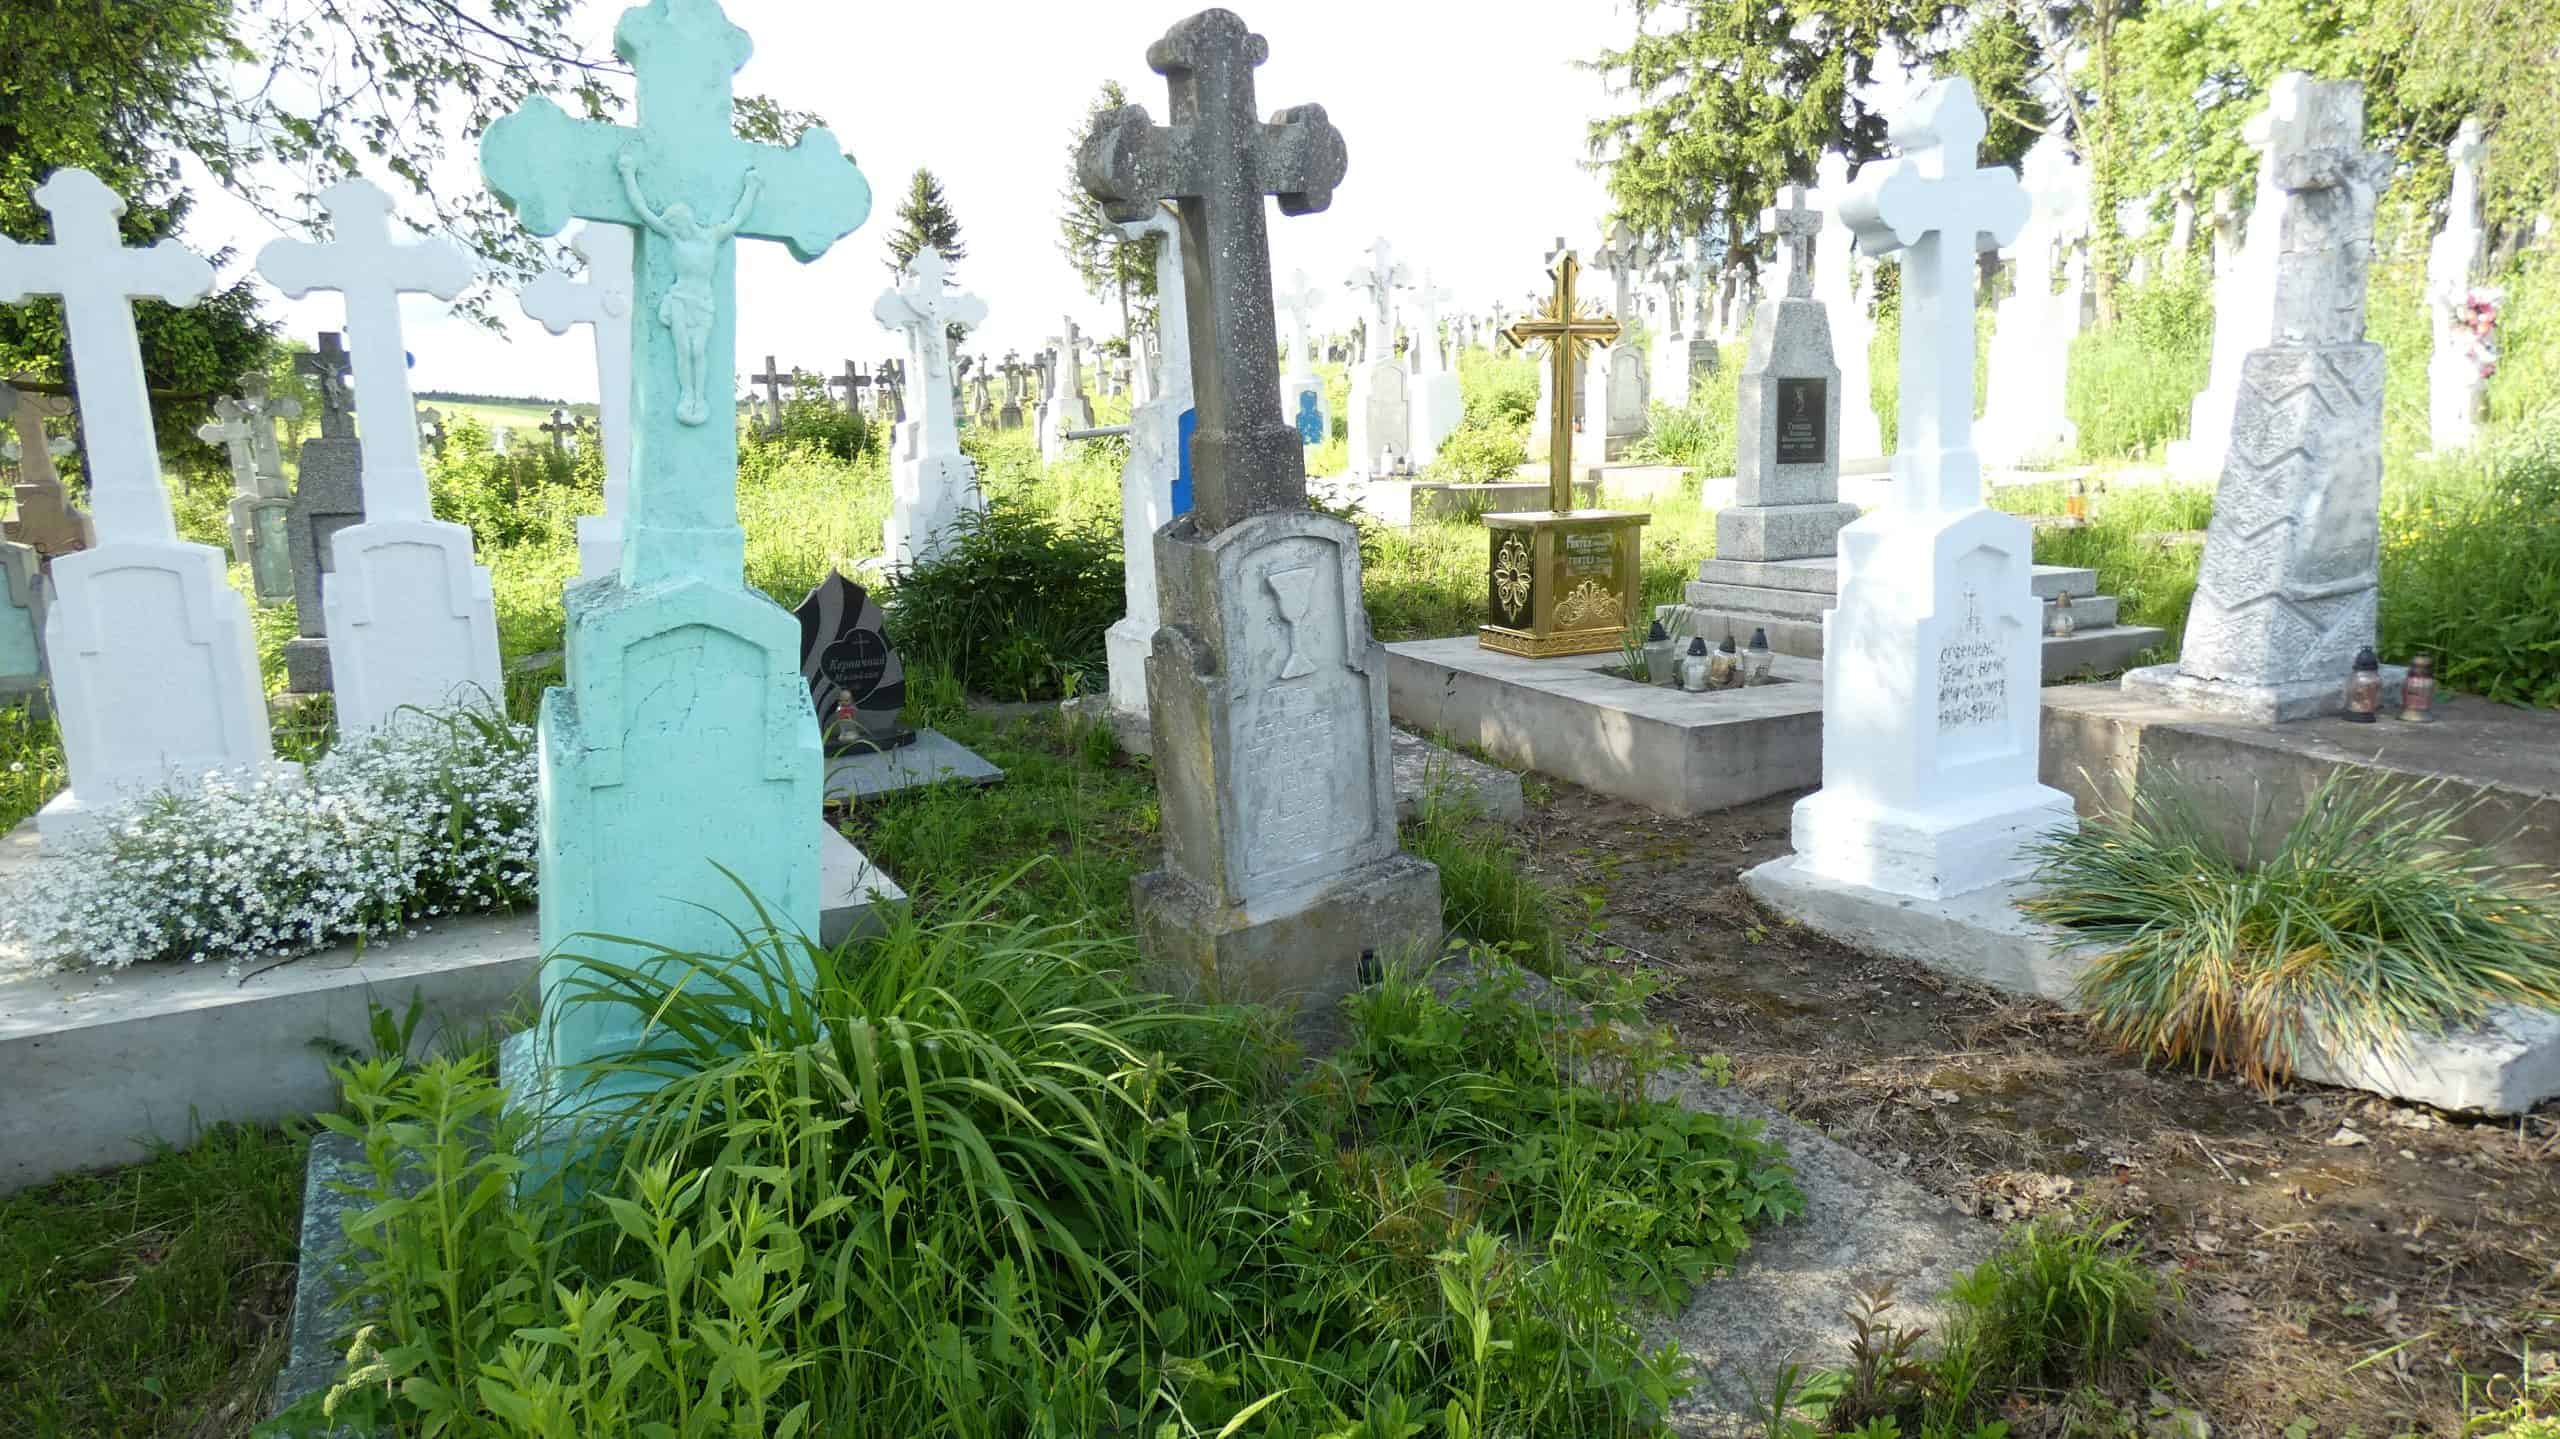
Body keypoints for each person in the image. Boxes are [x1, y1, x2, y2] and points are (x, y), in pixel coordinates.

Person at [618, 148, 760, 425]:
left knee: (698, 350)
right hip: (680, 298)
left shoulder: (712, 237)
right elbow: (643, 211)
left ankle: (699, 398)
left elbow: (738, 217)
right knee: (684, 349)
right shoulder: (674, 239)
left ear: (685, 220)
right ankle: (687, 395)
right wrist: (628, 175)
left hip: (703, 301)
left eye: (676, 225)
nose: (674, 229)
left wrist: (751, 188)